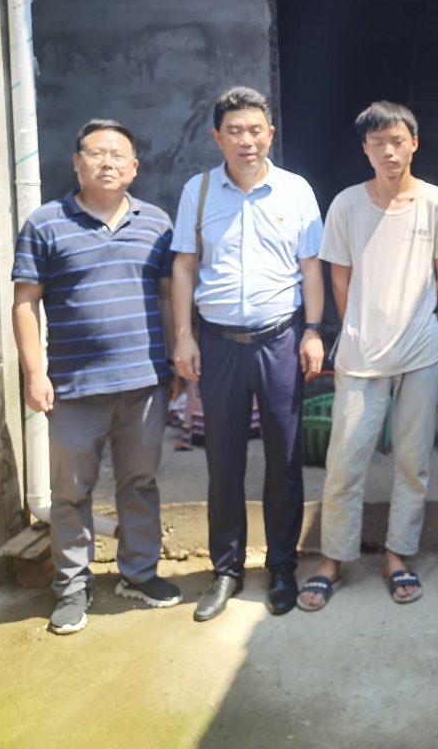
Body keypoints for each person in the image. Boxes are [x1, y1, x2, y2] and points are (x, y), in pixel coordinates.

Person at [13, 119, 180, 635]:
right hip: (74, 387)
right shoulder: (45, 224)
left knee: (140, 482)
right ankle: (72, 586)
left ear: (135, 167)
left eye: (117, 155)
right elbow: (25, 302)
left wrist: (174, 361)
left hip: (144, 383)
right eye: (95, 153)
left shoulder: (156, 223)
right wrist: (34, 373)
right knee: (70, 492)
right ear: (77, 162)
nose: (107, 163)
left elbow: (168, 297)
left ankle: (139, 572)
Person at [298, 101, 438, 611]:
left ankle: (397, 555)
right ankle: (333, 559)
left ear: (414, 143)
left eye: (397, 141)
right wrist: (364, 326)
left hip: (420, 354)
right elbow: (340, 279)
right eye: (377, 143)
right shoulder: (347, 205)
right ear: (365, 149)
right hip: (360, 354)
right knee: (344, 462)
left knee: (413, 462)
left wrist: (411, 317)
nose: (388, 151)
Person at [171, 87, 325, 622]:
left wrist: (313, 331)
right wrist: (184, 336)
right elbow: (184, 266)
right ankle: (227, 569)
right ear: (218, 137)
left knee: (285, 458)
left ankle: (282, 565)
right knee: (224, 460)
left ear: (270, 134)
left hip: (280, 340)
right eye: (234, 131)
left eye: (255, 130)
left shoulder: (296, 191)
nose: (246, 140)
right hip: (219, 344)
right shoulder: (198, 191)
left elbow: (311, 267)